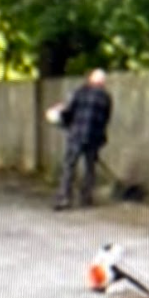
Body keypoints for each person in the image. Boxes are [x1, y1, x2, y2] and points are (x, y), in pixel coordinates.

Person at [48, 68, 112, 209]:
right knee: (90, 168)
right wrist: (101, 137)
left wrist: (59, 117)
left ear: (90, 79)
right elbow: (106, 119)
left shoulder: (80, 93)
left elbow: (69, 112)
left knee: (69, 166)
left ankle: (64, 198)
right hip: (94, 137)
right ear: (102, 82)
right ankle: (86, 197)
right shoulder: (106, 98)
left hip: (77, 134)